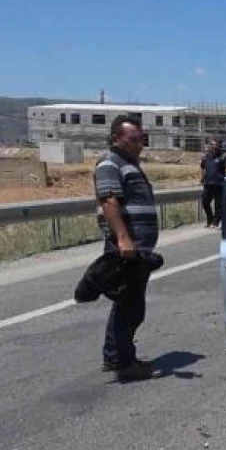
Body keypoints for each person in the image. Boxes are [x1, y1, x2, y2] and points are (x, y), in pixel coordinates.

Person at [92, 115, 163, 380]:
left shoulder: (129, 164)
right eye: (134, 139)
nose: (140, 144)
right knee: (130, 305)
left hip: (137, 248)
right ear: (116, 139)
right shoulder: (109, 163)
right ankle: (122, 361)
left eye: (142, 138)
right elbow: (109, 201)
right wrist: (123, 238)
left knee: (128, 303)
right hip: (127, 248)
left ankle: (116, 356)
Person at [200, 139, 226, 228]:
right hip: (208, 183)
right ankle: (210, 219)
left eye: (216, 145)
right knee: (205, 202)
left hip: (219, 184)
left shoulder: (223, 157)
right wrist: (202, 177)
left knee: (218, 204)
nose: (214, 146)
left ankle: (215, 223)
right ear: (210, 146)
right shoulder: (206, 157)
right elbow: (202, 167)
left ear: (218, 146)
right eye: (212, 145)